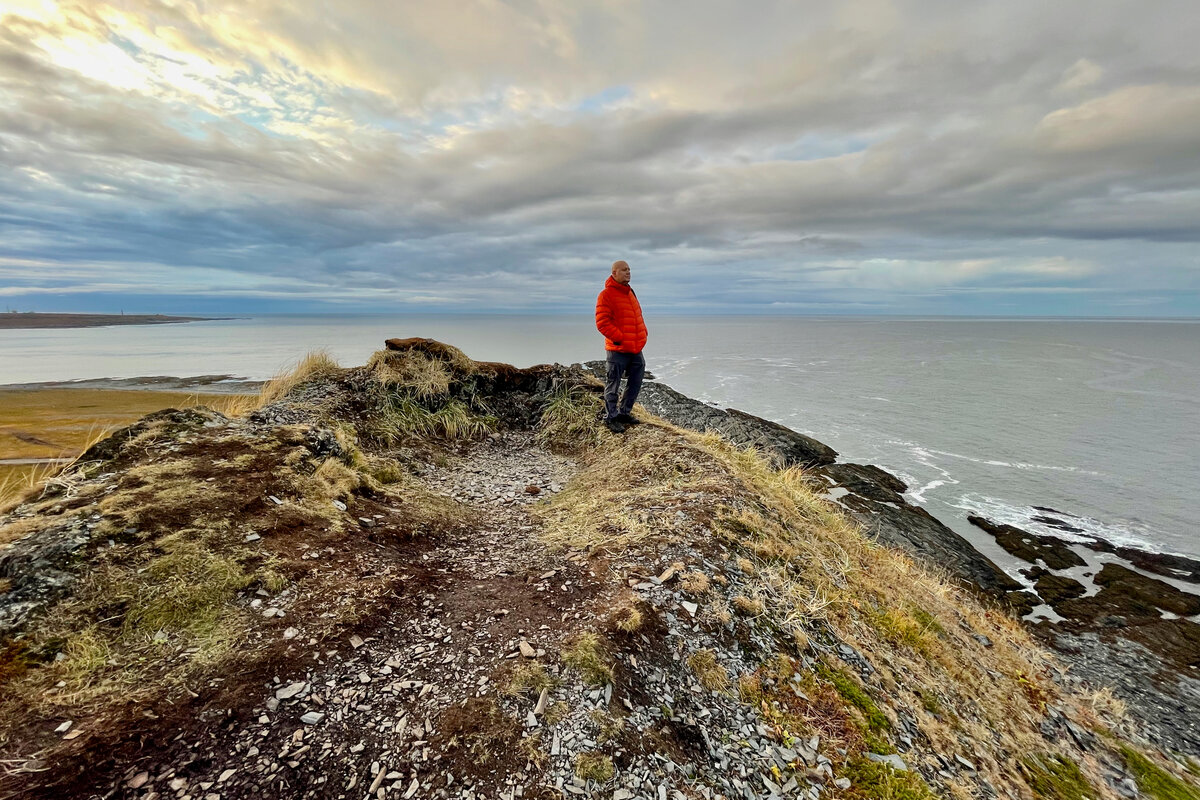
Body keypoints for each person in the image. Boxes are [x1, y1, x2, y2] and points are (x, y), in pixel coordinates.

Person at [594, 260, 647, 434]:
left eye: (629, 269)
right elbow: (602, 323)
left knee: (636, 381)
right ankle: (611, 417)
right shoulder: (606, 295)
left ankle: (624, 413)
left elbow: (637, 316)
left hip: (635, 348)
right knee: (613, 384)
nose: (628, 272)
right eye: (624, 270)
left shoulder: (630, 292)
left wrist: (643, 334)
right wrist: (620, 338)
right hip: (617, 350)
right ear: (614, 273)